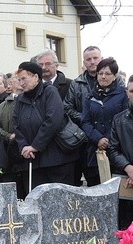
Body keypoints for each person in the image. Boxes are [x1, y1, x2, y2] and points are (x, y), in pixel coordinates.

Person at [13, 62, 78, 195]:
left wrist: (36, 145)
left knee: (59, 201)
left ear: (36, 77)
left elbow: (53, 120)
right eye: (19, 80)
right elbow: (16, 125)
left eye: (24, 78)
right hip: (32, 160)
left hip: (56, 159)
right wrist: (24, 146)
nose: (21, 83)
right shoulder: (20, 99)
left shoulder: (49, 91)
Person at [81, 57, 128, 187]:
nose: (103, 77)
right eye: (100, 73)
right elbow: (85, 122)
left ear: (114, 76)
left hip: (116, 150)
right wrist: (98, 139)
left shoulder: (123, 95)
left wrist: (107, 139)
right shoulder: (90, 97)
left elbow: (123, 120)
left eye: (107, 74)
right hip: (94, 151)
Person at [64, 46, 103, 186]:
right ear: (84, 62)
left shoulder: (113, 80)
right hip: (84, 139)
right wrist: (84, 118)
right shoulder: (76, 83)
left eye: (95, 58)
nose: (92, 62)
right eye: (88, 59)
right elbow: (67, 107)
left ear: (101, 59)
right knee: (91, 181)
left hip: (107, 137)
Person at [108, 75, 133, 229]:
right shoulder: (118, 120)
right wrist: (129, 168)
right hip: (126, 181)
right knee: (125, 230)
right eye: (132, 91)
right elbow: (113, 149)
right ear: (127, 92)